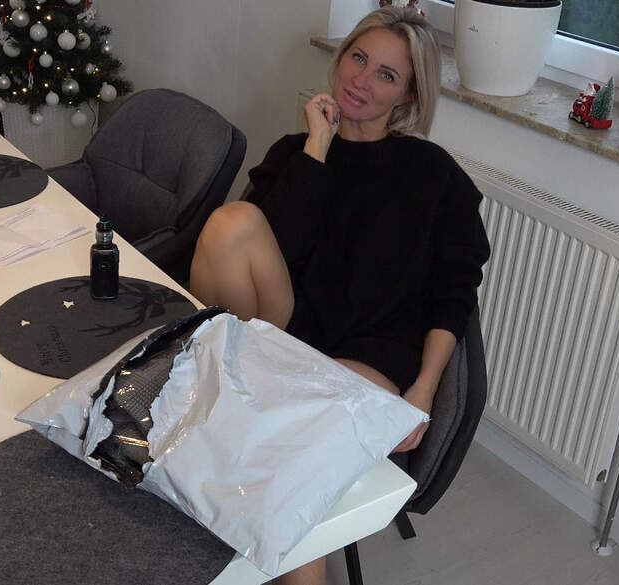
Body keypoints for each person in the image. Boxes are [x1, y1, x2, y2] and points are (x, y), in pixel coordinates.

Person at [189, 6, 490, 584]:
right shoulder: (296, 151)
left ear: (407, 96)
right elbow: (273, 250)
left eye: (386, 75)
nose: (361, 80)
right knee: (232, 223)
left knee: (291, 460)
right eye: (358, 58)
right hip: (282, 335)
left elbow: (455, 291)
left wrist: (424, 390)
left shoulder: (433, 175)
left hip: (367, 358)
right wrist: (317, 150)